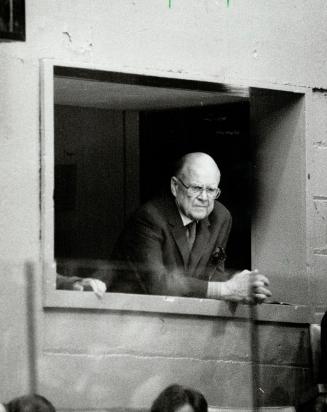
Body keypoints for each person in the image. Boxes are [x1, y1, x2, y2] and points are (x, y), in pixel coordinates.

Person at [108, 152, 271, 303]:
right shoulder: (149, 217)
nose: (204, 198)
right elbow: (158, 284)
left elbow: (213, 277)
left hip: (184, 315)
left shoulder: (220, 217)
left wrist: (245, 286)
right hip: (132, 315)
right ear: (175, 186)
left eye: (211, 190)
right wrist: (227, 289)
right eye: (196, 188)